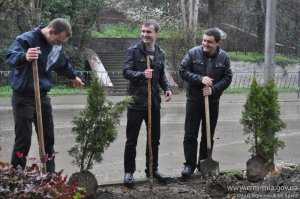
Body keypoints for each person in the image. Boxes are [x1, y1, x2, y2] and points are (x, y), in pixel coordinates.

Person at [6, 18, 84, 173]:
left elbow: (62, 63)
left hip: (42, 96)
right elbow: (10, 56)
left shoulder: (56, 45)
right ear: (51, 31)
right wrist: (25, 56)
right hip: (24, 97)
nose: (58, 44)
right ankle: (16, 177)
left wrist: (73, 76)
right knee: (24, 140)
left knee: (48, 139)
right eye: (57, 40)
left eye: (61, 42)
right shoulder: (27, 39)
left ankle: (50, 176)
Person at [123, 20, 172, 186]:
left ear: (156, 34)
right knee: (132, 140)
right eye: (143, 31)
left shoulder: (160, 53)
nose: (145, 34)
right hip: (136, 102)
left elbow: (161, 75)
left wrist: (167, 88)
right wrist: (142, 74)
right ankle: (129, 173)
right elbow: (126, 72)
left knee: (154, 140)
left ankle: (152, 169)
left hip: (154, 103)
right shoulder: (133, 51)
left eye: (148, 32)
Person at [179, 28, 232, 178]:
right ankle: (189, 165)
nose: (205, 44)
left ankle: (203, 163)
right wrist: (200, 79)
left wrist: (214, 89)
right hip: (194, 100)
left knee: (208, 134)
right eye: (204, 40)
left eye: (209, 42)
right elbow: (182, 71)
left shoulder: (224, 58)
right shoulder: (193, 53)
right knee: (190, 134)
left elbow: (227, 78)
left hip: (212, 102)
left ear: (217, 43)